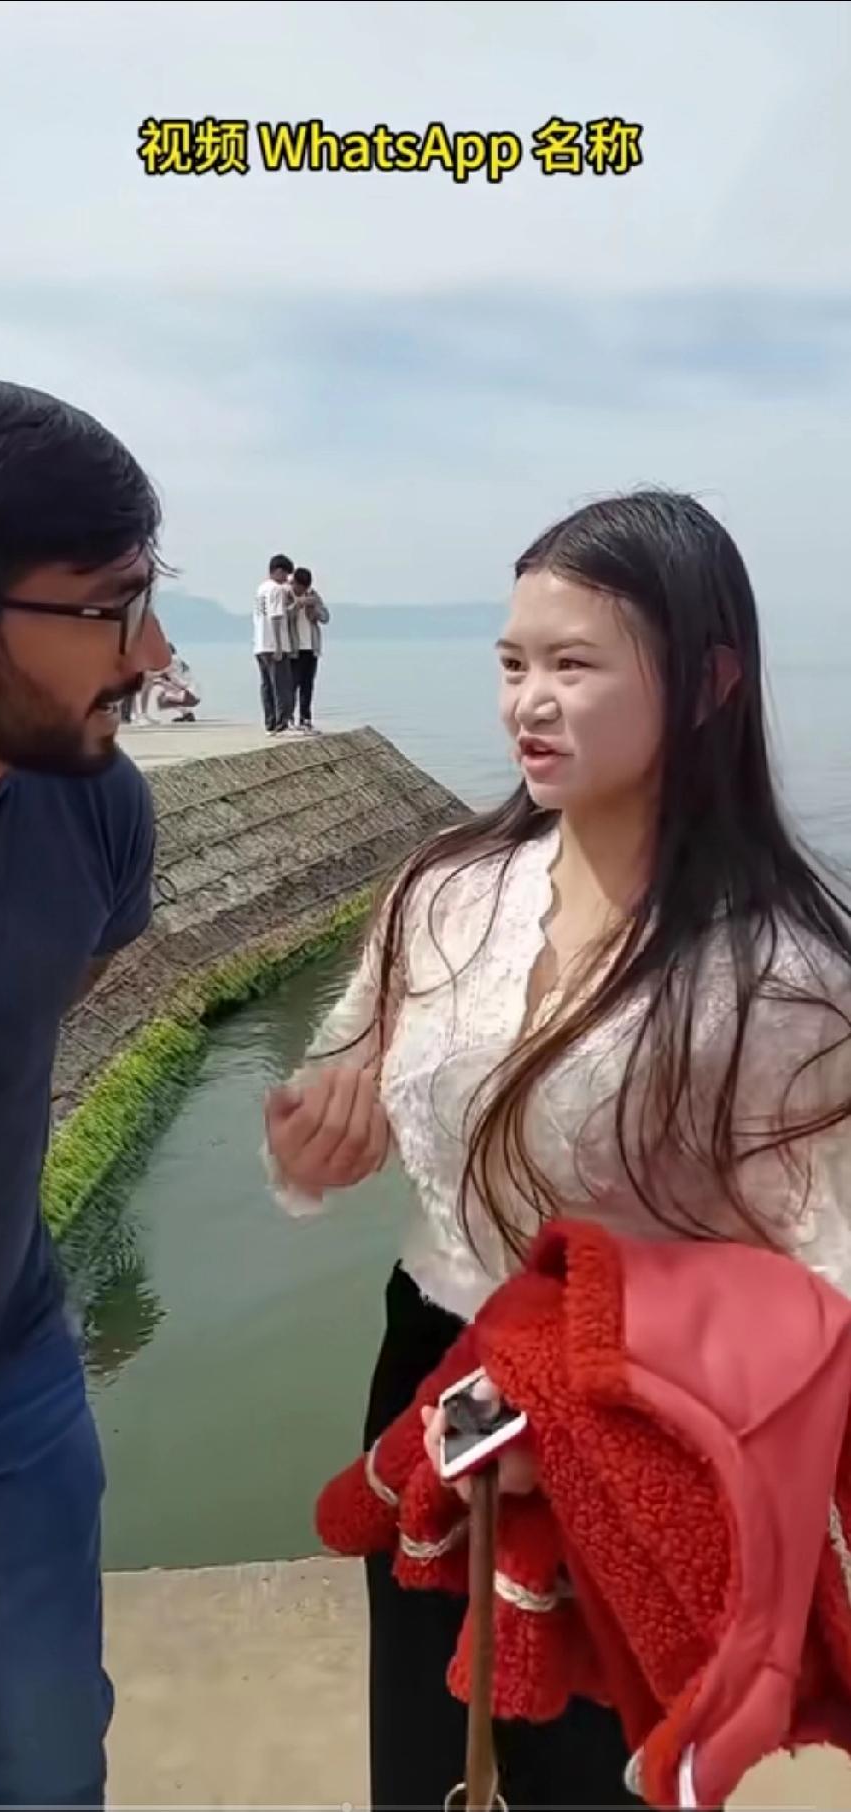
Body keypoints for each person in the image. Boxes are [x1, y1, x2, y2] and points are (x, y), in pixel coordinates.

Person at [264, 490, 851, 1811]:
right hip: (431, 1376)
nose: (526, 703)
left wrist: (589, 1427)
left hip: (634, 1428)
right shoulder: (444, 892)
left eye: (572, 665)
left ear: (709, 684)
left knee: (587, 1763)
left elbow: (813, 1285)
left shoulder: (785, 980)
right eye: (510, 663)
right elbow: (351, 1081)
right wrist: (320, 1141)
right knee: (426, 1754)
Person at [0, 369, 170, 1808]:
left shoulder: (97, 805)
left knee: (48, 1753)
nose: (155, 655)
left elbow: (55, 994)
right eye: (108, 611)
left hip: (4, 1364)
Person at [254, 553, 295, 735]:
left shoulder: (261, 589)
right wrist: (279, 645)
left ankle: (270, 723)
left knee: (267, 686)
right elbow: (276, 617)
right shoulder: (276, 589)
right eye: (285, 574)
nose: (286, 579)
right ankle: (282, 723)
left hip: (260, 644)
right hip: (274, 644)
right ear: (278, 571)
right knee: (282, 686)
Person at [287, 565, 329, 733]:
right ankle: (288, 717)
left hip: (311, 648)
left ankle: (306, 718)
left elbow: (325, 617)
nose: (302, 590)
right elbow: (284, 617)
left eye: (305, 587)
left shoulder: (313, 595)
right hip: (294, 649)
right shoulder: (287, 595)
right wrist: (297, 605)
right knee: (292, 684)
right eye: (300, 586)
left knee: (308, 685)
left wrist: (314, 608)